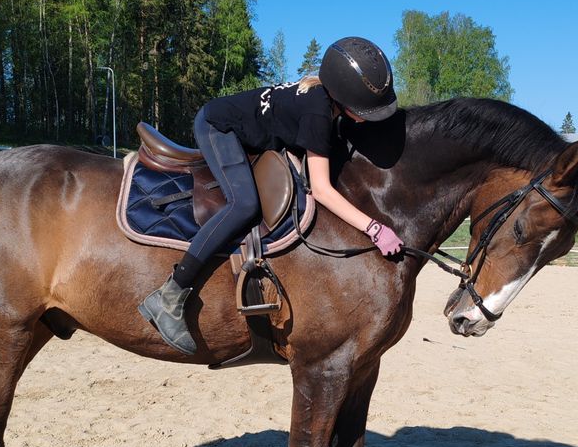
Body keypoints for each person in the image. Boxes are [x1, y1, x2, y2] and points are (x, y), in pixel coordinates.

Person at [139, 36, 404, 353]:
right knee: (244, 205)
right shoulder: (318, 113)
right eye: (363, 111)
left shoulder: (324, 99)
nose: (365, 117)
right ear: (343, 99)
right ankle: (169, 295)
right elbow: (320, 190)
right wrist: (374, 228)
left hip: (244, 130)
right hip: (216, 126)